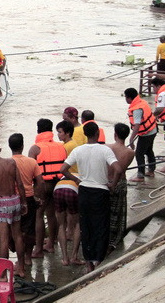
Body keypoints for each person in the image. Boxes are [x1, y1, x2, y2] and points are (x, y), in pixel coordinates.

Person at [60, 122, 122, 273]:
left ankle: (88, 263)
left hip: (84, 191)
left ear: (86, 135)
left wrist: (76, 180)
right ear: (97, 134)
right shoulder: (105, 150)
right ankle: (98, 259)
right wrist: (113, 183)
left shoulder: (78, 150)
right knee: (100, 226)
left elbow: (63, 169)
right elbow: (118, 169)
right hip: (101, 191)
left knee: (86, 226)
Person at [0, 140, 27, 278]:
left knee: (3, 240)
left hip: (2, 203)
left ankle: (2, 274)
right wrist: (24, 203)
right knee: (18, 236)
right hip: (15, 200)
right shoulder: (11, 163)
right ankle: (21, 268)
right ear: (0, 150)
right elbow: (19, 184)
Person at [27, 119, 65, 258]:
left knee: (38, 215)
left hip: (41, 185)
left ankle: (37, 250)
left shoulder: (35, 148)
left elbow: (30, 169)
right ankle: (50, 244)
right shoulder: (61, 146)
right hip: (57, 183)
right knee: (52, 213)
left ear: (38, 130)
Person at [8, 133, 43, 266]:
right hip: (29, 198)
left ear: (9, 146)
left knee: (15, 232)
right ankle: (28, 258)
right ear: (22, 146)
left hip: (13, 200)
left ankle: (20, 259)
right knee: (29, 230)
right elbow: (40, 182)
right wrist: (38, 196)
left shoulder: (8, 163)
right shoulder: (32, 162)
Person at [54, 120, 82, 265]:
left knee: (61, 225)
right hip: (73, 185)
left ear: (67, 133)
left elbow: (61, 168)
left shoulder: (68, 147)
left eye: (59, 132)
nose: (57, 135)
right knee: (77, 222)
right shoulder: (72, 145)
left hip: (61, 185)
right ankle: (74, 256)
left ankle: (64, 258)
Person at [107, 123, 135, 252]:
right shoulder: (130, 152)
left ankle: (106, 239)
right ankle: (115, 240)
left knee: (106, 212)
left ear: (115, 134)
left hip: (107, 182)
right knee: (118, 213)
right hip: (119, 183)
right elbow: (121, 169)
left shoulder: (106, 147)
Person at [124, 88, 158, 181]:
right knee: (149, 150)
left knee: (139, 153)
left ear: (129, 98)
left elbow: (137, 125)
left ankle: (140, 175)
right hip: (153, 129)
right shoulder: (141, 102)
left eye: (126, 97)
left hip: (146, 133)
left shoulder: (136, 109)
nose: (125, 99)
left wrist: (131, 139)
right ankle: (151, 170)